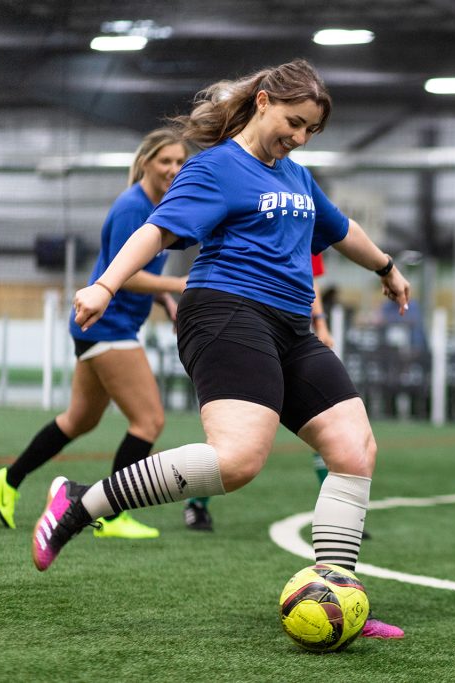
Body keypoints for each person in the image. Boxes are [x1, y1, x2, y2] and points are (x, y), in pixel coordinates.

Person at [30, 58, 406, 640]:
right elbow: (157, 230)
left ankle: (335, 593)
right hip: (226, 311)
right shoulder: (216, 169)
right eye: (294, 121)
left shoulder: (295, 175)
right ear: (263, 101)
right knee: (236, 461)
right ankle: (81, 502)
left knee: (354, 450)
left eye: (310, 130)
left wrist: (386, 266)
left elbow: (339, 227)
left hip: (291, 326)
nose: (300, 137)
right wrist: (106, 283)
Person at [0, 128, 188, 539]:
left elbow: (140, 275)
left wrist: (163, 301)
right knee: (148, 421)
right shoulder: (134, 207)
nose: (174, 169)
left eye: (181, 161)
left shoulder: (159, 205)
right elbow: (123, 277)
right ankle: (112, 516)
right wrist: (176, 287)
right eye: (166, 160)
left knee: (79, 419)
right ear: (145, 162)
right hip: (108, 326)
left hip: (102, 328)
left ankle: (7, 479)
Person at [182, 252, 335, 532]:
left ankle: (336, 517)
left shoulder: (307, 216)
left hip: (295, 340)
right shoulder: (258, 215)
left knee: (327, 427)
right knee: (233, 440)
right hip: (250, 335)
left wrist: (321, 324)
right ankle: (195, 502)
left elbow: (309, 278)